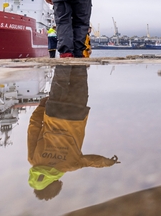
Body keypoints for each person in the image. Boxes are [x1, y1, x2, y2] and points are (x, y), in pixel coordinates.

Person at [27, 65, 119, 200]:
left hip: (76, 112)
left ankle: (78, 55)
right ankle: (66, 55)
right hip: (54, 110)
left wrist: (107, 162)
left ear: (53, 184)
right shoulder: (33, 160)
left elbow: (91, 161)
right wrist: (41, 107)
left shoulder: (70, 165)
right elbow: (34, 128)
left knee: (79, 75)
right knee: (61, 75)